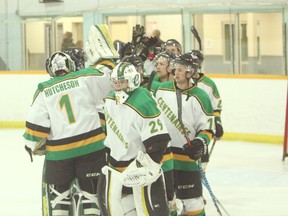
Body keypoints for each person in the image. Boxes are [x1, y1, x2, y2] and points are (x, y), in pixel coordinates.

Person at [24, 24, 117, 216]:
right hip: (92, 149)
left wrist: (32, 145)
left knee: (60, 200)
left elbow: (34, 131)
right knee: (91, 196)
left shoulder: (43, 89)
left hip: (59, 156)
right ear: (71, 66)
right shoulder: (84, 77)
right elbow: (110, 77)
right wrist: (104, 56)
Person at [97, 62, 171, 216]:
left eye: (122, 82)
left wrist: (151, 164)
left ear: (133, 81)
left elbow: (159, 140)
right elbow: (110, 133)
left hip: (138, 166)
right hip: (115, 166)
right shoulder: (110, 100)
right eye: (115, 82)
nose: (118, 87)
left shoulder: (143, 102)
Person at [154, 52, 215, 216]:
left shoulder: (201, 96)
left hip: (187, 157)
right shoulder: (161, 90)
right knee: (168, 203)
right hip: (165, 156)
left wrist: (200, 142)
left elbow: (208, 128)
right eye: (176, 69)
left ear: (191, 72)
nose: (176, 72)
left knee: (193, 203)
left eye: (180, 69)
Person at [189, 50, 224, 170]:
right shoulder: (183, 82)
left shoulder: (209, 84)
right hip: (186, 127)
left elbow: (216, 107)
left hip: (202, 127)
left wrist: (217, 123)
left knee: (201, 163)